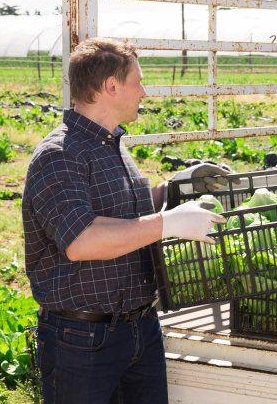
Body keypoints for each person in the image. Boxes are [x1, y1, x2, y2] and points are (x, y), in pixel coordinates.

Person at [22, 37, 226, 404]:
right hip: (82, 340)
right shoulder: (59, 155)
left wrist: (175, 189)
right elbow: (82, 240)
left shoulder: (111, 144)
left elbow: (123, 213)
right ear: (110, 86)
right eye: (138, 82)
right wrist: (167, 224)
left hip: (139, 329)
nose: (144, 92)